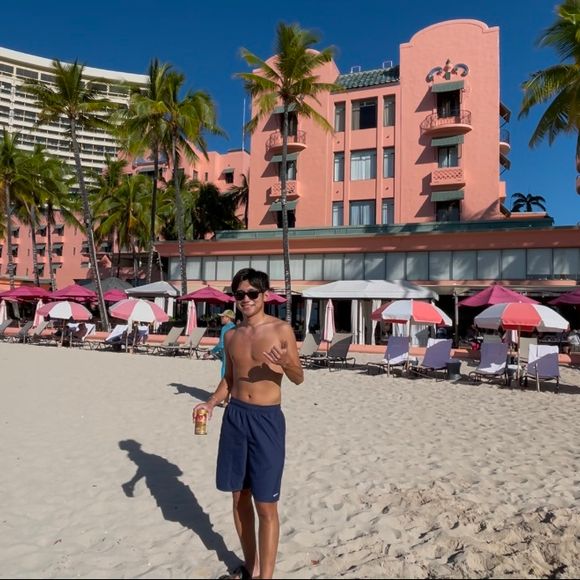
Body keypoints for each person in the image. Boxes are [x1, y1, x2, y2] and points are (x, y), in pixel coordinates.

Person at [193, 268, 304, 580]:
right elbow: (229, 380)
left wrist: (286, 363)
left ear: (264, 295)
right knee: (239, 497)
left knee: (265, 504)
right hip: (235, 418)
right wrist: (210, 403)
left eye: (252, 293)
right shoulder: (231, 335)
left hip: (267, 420)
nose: (246, 299)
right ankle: (251, 567)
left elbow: (298, 377)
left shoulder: (281, 330)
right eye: (240, 294)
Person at [203, 309, 237, 379]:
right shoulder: (236, 327)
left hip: (226, 353)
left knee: (224, 374)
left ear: (228, 318)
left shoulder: (225, 328)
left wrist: (210, 352)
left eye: (223, 317)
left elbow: (221, 344)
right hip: (234, 353)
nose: (221, 318)